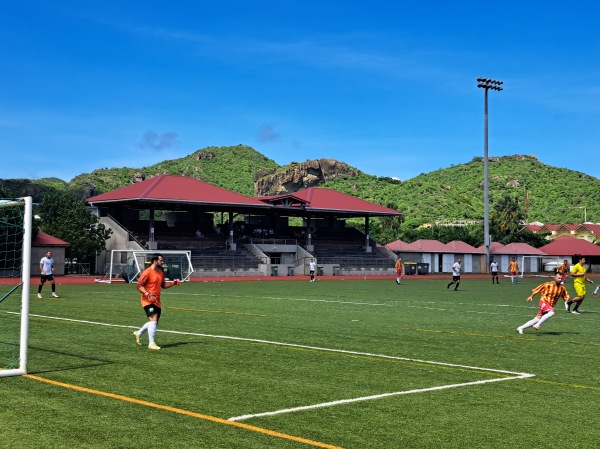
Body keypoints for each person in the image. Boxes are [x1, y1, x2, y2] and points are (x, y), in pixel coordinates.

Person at [133, 253, 180, 350]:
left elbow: (163, 285)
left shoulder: (160, 272)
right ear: (155, 261)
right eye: (161, 260)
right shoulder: (147, 272)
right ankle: (151, 344)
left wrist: (173, 283)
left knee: (153, 322)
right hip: (147, 300)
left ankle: (138, 333)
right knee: (153, 319)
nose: (162, 262)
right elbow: (139, 286)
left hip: (157, 301)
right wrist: (147, 294)